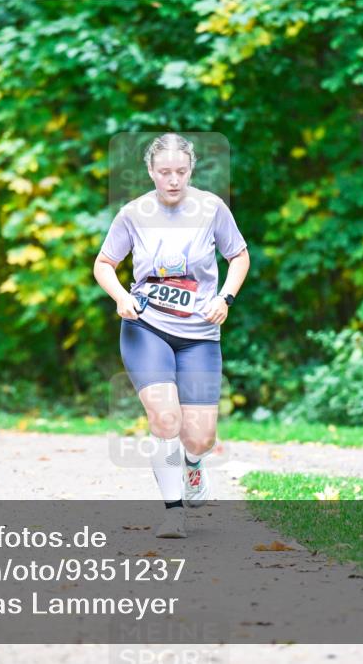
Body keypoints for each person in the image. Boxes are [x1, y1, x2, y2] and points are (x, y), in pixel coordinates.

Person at [93, 133, 250, 538]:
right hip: (146, 326)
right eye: (165, 172)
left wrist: (226, 298)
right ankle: (173, 512)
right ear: (150, 171)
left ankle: (194, 465)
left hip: (200, 334)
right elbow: (104, 264)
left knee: (200, 437)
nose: (173, 180)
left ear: (191, 170)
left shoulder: (212, 208)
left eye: (181, 171)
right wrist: (121, 297)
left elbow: (238, 256)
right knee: (165, 418)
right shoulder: (133, 213)